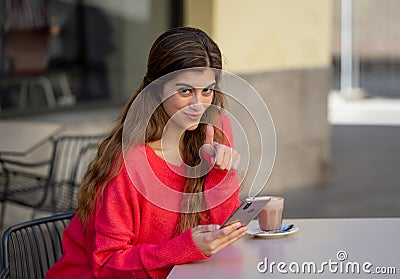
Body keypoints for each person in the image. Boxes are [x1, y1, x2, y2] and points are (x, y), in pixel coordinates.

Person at [45, 27, 246, 279]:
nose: (199, 104)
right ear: (157, 88)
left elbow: (224, 231)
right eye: (185, 91)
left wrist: (220, 175)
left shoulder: (214, 130)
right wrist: (183, 249)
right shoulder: (129, 162)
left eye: (207, 90)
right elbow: (106, 264)